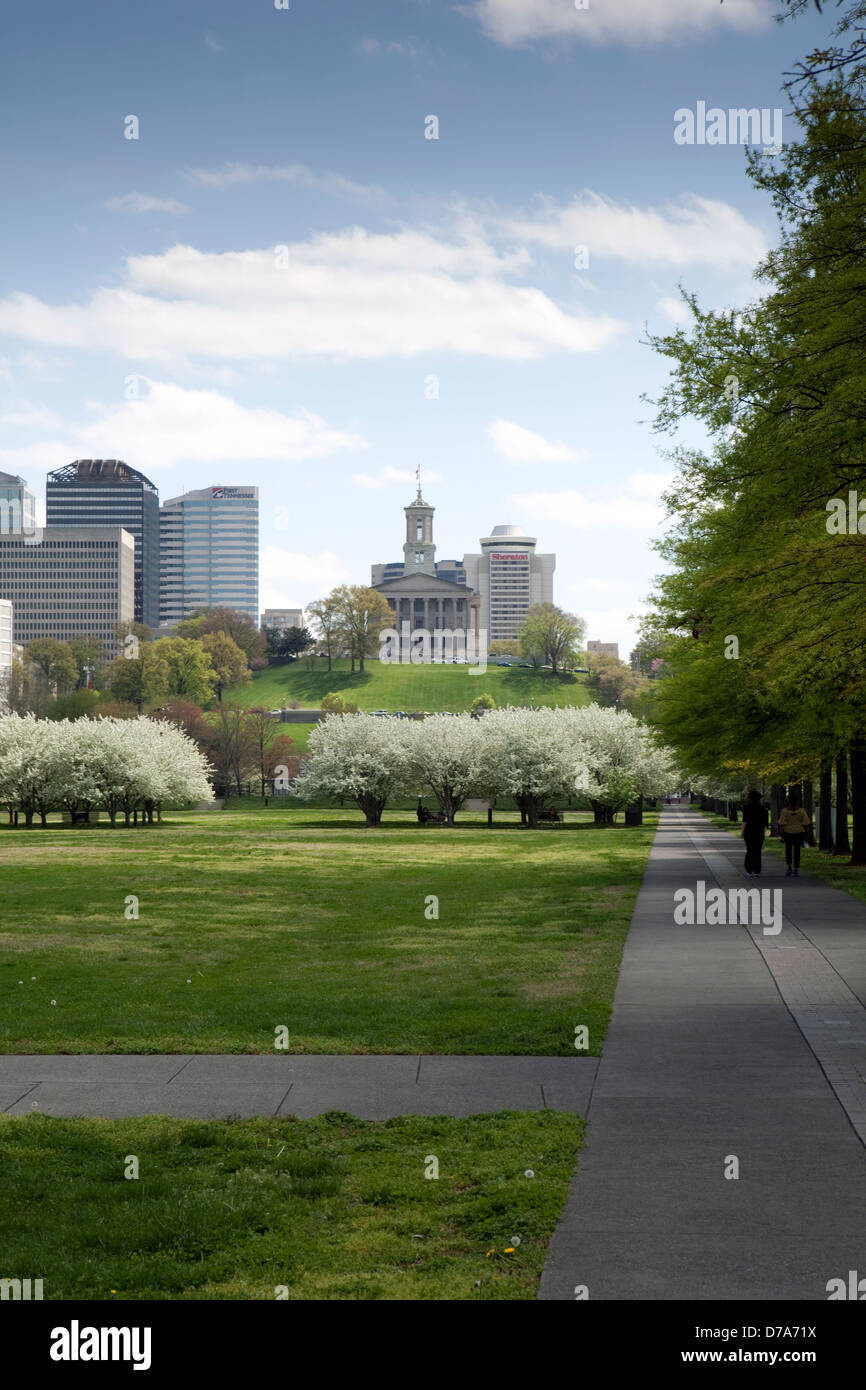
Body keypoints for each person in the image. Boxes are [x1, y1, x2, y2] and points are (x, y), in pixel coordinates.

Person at [779, 793, 812, 877]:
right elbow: (806, 824)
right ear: (797, 802)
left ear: (789, 802)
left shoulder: (785, 811)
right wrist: (807, 836)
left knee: (788, 850)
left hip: (788, 833)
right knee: (797, 851)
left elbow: (782, 824)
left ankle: (789, 867)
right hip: (799, 833)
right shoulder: (801, 811)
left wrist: (782, 835)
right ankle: (796, 868)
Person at [740, 790, 769, 876]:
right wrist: (764, 831)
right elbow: (765, 823)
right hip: (759, 831)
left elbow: (745, 821)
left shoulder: (746, 808)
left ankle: (749, 869)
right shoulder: (762, 808)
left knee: (750, 850)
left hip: (749, 831)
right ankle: (756, 869)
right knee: (757, 850)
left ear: (750, 799)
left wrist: (742, 831)